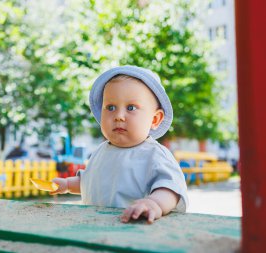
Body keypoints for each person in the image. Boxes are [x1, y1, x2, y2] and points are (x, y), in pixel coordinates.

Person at [51, 65, 188, 224]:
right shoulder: (101, 151)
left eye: (131, 107)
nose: (119, 116)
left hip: (134, 227)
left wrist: (154, 203)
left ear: (155, 119)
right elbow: (92, 181)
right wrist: (67, 184)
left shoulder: (155, 155)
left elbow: (170, 188)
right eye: (110, 107)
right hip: (94, 225)